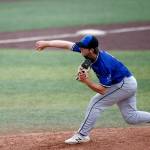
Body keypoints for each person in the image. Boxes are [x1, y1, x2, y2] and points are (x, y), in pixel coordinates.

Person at [35, 35, 150, 144]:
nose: (80, 48)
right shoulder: (88, 53)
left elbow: (102, 90)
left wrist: (86, 81)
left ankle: (82, 135)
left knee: (96, 103)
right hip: (127, 82)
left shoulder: (103, 64)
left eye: (83, 47)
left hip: (123, 85)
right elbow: (66, 44)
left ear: (90, 50)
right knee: (131, 117)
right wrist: (47, 43)